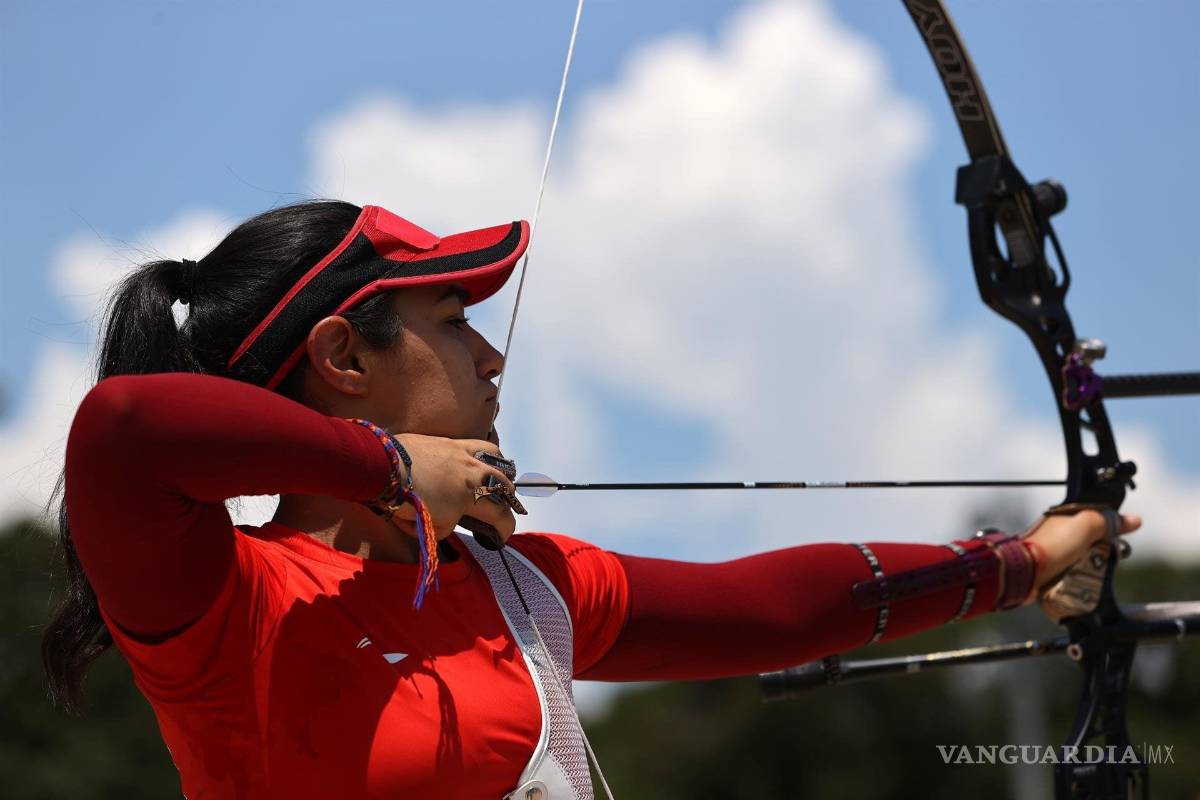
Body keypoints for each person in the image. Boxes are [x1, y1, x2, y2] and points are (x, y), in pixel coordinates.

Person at [45, 199, 1139, 799]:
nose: (490, 354)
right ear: (341, 352)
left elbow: (779, 609)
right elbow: (125, 430)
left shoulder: (527, 591)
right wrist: (390, 467)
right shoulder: (233, 608)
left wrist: (1028, 559)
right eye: (453, 318)